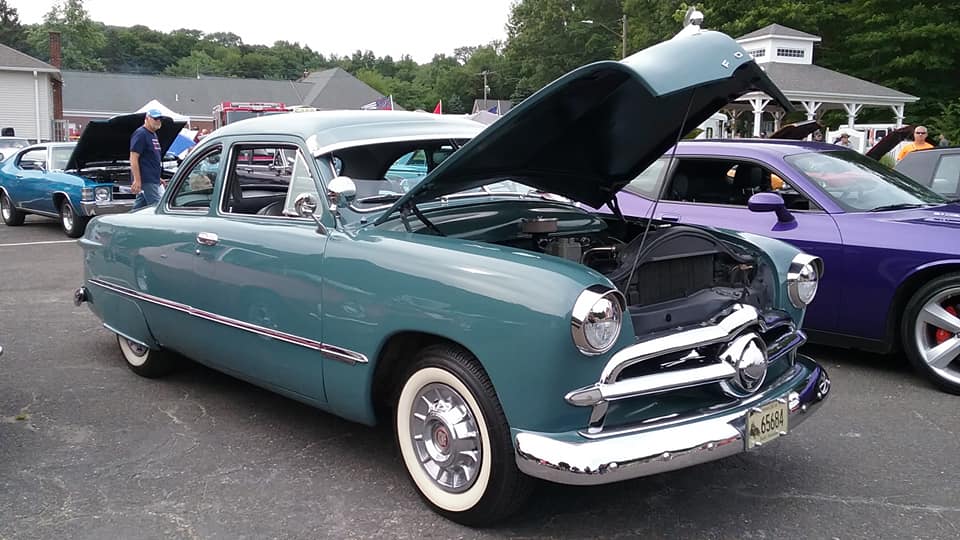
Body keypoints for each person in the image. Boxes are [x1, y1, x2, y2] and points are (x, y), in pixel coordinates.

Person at [130, 109, 164, 210]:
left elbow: (151, 158)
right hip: (146, 180)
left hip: (152, 179)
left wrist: (158, 177)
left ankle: (127, 222)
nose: (158, 121)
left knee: (139, 208)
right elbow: (133, 157)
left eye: (160, 119)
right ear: (147, 119)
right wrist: (137, 180)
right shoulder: (141, 134)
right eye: (155, 118)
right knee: (157, 208)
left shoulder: (153, 134)